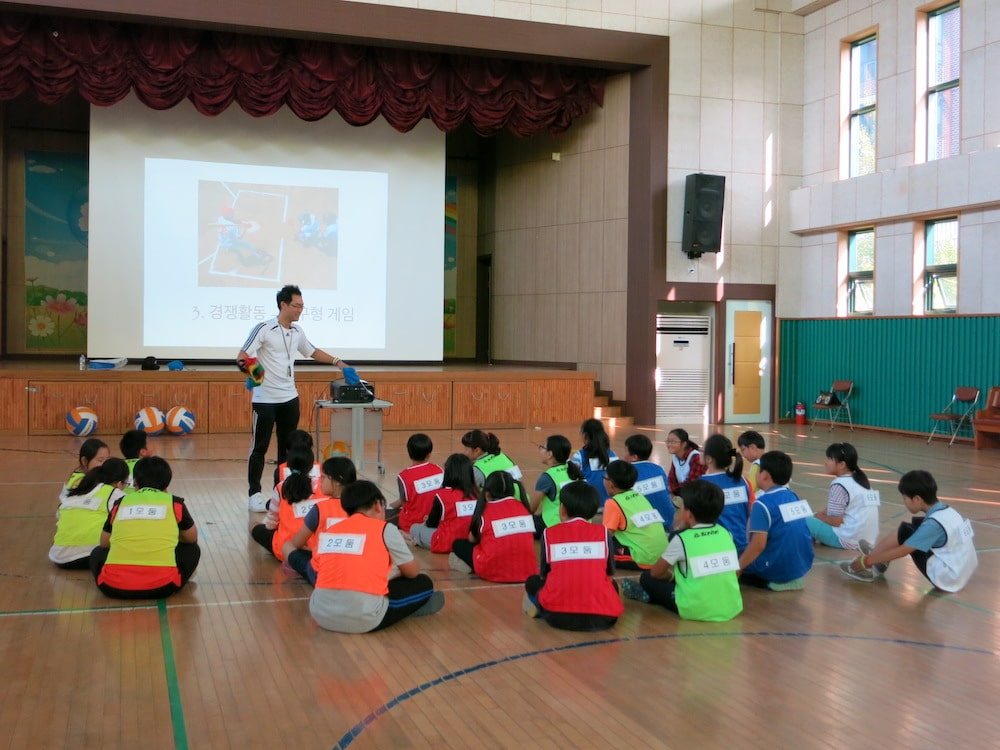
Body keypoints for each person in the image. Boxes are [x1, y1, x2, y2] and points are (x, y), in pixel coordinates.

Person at [238, 284, 353, 511]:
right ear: (283, 305)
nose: (301, 310)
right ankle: (254, 494)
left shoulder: (297, 332)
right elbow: (242, 356)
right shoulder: (264, 328)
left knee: (287, 449)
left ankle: (279, 490)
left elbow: (311, 351)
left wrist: (338, 362)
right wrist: (255, 373)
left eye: (302, 306)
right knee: (258, 448)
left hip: (290, 398)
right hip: (265, 400)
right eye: (297, 305)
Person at [305, 480, 444, 633]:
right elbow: (412, 572)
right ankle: (412, 608)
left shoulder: (330, 531)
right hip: (363, 618)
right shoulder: (385, 529)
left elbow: (317, 569)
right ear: (378, 505)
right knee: (423, 583)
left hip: (319, 613)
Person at [621, 480, 743, 622]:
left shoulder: (682, 539)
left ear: (689, 515)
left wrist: (672, 577)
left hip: (695, 608)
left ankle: (650, 596)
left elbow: (656, 572)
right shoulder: (725, 533)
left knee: (646, 578)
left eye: (682, 506)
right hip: (732, 606)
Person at [840, 470, 978, 591]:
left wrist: (866, 561)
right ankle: (879, 555)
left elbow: (902, 551)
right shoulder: (947, 511)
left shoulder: (933, 525)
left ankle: (872, 563)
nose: (904, 501)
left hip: (947, 578)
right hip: (962, 570)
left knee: (905, 531)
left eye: (905, 498)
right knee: (915, 525)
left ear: (917, 499)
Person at [89, 456, 200, 599]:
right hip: (162, 587)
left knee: (97, 552)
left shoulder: (120, 502)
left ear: (135, 482)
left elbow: (104, 542)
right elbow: (191, 538)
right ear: (166, 485)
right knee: (192, 549)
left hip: (112, 587)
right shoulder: (174, 503)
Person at [523, 481, 623, 631]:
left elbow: (544, 573)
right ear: (593, 511)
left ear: (562, 509)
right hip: (604, 619)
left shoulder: (549, 533)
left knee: (533, 582)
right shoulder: (603, 533)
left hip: (557, 616)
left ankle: (539, 607)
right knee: (612, 584)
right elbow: (610, 572)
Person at [738, 451, 814, 591]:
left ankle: (772, 580)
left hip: (774, 568)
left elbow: (758, 545)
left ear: (765, 475)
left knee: (737, 554)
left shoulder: (761, 504)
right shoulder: (793, 495)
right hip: (802, 564)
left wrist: (737, 568)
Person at [450, 471, 537, 583]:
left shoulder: (485, 510)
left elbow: (472, 539)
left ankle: (470, 565)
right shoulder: (523, 507)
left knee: (458, 544)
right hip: (527, 570)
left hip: (493, 569)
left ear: (487, 494)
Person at [283, 457, 355, 583]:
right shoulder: (361, 506)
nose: (320, 481)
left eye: (324, 477)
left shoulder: (320, 509)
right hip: (354, 568)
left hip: (323, 573)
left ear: (337, 481)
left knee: (287, 546)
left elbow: (296, 543)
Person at [50, 457, 129, 569]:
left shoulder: (79, 490)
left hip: (58, 556)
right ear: (120, 484)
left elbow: (59, 515)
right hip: (90, 554)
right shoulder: (114, 494)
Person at [250, 447, 325, 561]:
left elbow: (271, 524)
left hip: (287, 549)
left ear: (288, 465)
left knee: (254, 526)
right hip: (318, 548)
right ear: (311, 465)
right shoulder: (322, 487)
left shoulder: (280, 487)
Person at [806, 442, 880, 551]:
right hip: (868, 539)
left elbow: (836, 521)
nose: (825, 462)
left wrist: (817, 516)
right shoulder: (861, 480)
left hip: (849, 539)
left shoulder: (839, 484)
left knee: (803, 520)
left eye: (829, 459)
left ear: (842, 464)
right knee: (817, 517)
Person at [601, 460, 668, 570]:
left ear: (611, 483)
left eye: (604, 478)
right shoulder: (639, 495)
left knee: (599, 551)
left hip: (645, 558)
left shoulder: (613, 503)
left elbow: (605, 536)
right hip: (663, 556)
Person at [409, 454, 479, 553]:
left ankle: (415, 540)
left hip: (446, 542)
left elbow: (431, 523)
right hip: (471, 541)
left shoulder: (442, 495)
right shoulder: (477, 494)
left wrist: (428, 520)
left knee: (414, 528)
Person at [699, 434, 752, 554]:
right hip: (744, 545)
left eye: (701, 449)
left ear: (709, 459)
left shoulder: (702, 484)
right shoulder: (743, 481)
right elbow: (751, 512)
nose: (699, 452)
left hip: (720, 547)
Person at [529, 435, 585, 531]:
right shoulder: (574, 470)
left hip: (555, 525)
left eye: (542, 447)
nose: (540, 449)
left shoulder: (547, 477)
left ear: (550, 454)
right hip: (579, 522)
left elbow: (531, 509)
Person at [392, 433, 444, 532]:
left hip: (411, 525)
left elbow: (404, 503)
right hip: (436, 523)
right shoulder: (440, 470)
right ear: (429, 454)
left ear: (409, 453)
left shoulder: (403, 476)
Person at [623, 433, 673, 530]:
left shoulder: (628, 473)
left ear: (634, 457)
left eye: (625, 451)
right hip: (668, 520)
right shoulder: (659, 469)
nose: (623, 455)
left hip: (647, 525)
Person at [573, 418, 617, 507]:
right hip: (611, 504)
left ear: (585, 435)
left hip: (588, 506)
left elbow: (571, 478)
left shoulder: (579, 456)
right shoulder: (612, 454)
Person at [272, 429, 320, 495]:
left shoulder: (280, 470)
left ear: (287, 451)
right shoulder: (323, 469)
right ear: (311, 450)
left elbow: (277, 494)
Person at [665, 428, 705, 497]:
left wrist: (673, 491)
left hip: (696, 496)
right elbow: (671, 480)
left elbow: (692, 483)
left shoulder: (696, 457)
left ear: (683, 444)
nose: (669, 444)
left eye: (673, 442)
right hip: (682, 493)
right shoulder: (676, 457)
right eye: (668, 441)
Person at [736, 430, 766, 496]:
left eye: (743, 449)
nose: (743, 455)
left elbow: (749, 489)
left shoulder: (757, 465)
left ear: (753, 447)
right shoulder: (771, 459)